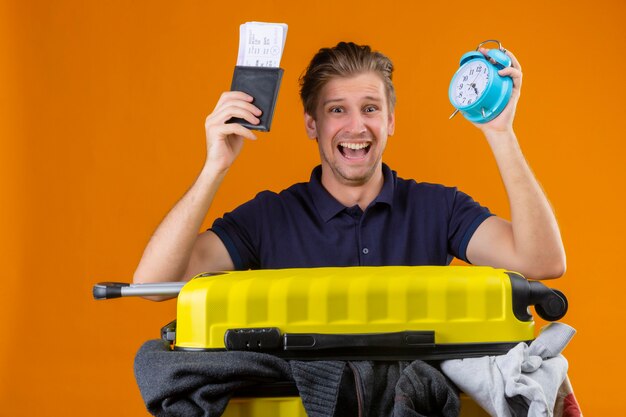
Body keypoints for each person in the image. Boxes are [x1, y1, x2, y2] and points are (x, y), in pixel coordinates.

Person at [133, 42, 566, 295]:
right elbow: (153, 283)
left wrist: (501, 132)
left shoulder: (440, 209)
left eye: (371, 108)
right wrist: (214, 168)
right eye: (337, 110)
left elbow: (542, 261)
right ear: (312, 125)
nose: (356, 127)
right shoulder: (269, 219)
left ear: (390, 121)